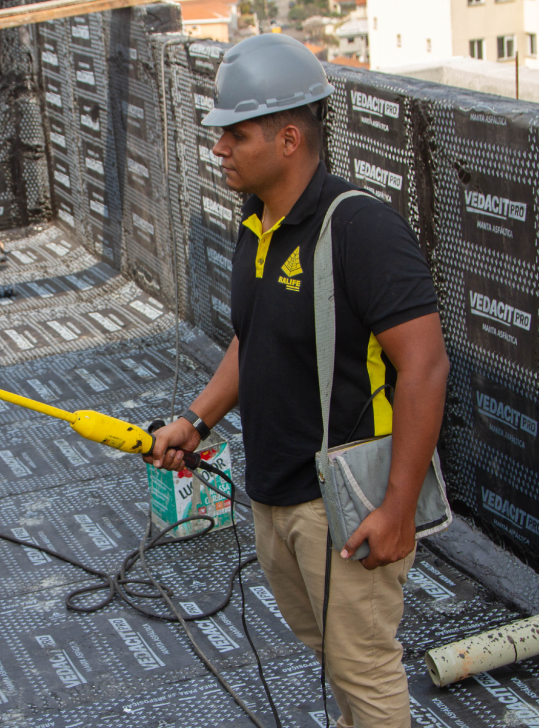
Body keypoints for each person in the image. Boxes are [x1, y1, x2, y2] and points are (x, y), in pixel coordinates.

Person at [145, 34, 449, 728]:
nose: (218, 148)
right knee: (333, 654)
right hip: (272, 494)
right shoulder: (258, 224)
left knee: (364, 670)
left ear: (288, 138)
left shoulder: (360, 229)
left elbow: (425, 366)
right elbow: (253, 343)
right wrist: (196, 421)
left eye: (235, 134)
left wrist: (399, 508)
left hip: (338, 503)